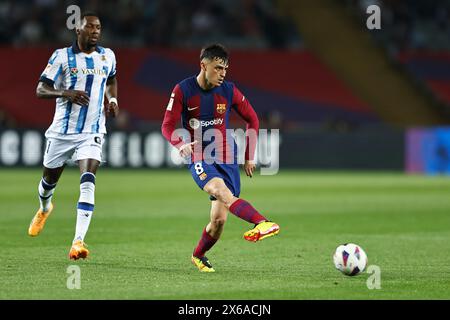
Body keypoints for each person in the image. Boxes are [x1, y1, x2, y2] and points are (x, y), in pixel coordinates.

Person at [161, 43, 280, 272]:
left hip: (226, 154)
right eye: (218, 68)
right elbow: (167, 125)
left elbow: (253, 120)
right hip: (199, 154)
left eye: (225, 69)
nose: (222, 74)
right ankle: (262, 222)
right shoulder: (183, 90)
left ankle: (198, 255)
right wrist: (180, 143)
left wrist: (249, 156)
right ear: (203, 65)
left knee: (218, 221)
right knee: (219, 191)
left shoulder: (229, 90)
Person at [28, 13, 119, 260]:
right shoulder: (61, 57)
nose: (95, 31)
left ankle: (77, 242)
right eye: (90, 27)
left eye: (98, 27)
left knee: (88, 181)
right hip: (62, 132)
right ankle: (45, 208)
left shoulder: (107, 56)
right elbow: (40, 89)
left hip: (92, 131)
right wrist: (66, 93)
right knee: (49, 182)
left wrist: (112, 100)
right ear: (77, 30)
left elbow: (111, 80)